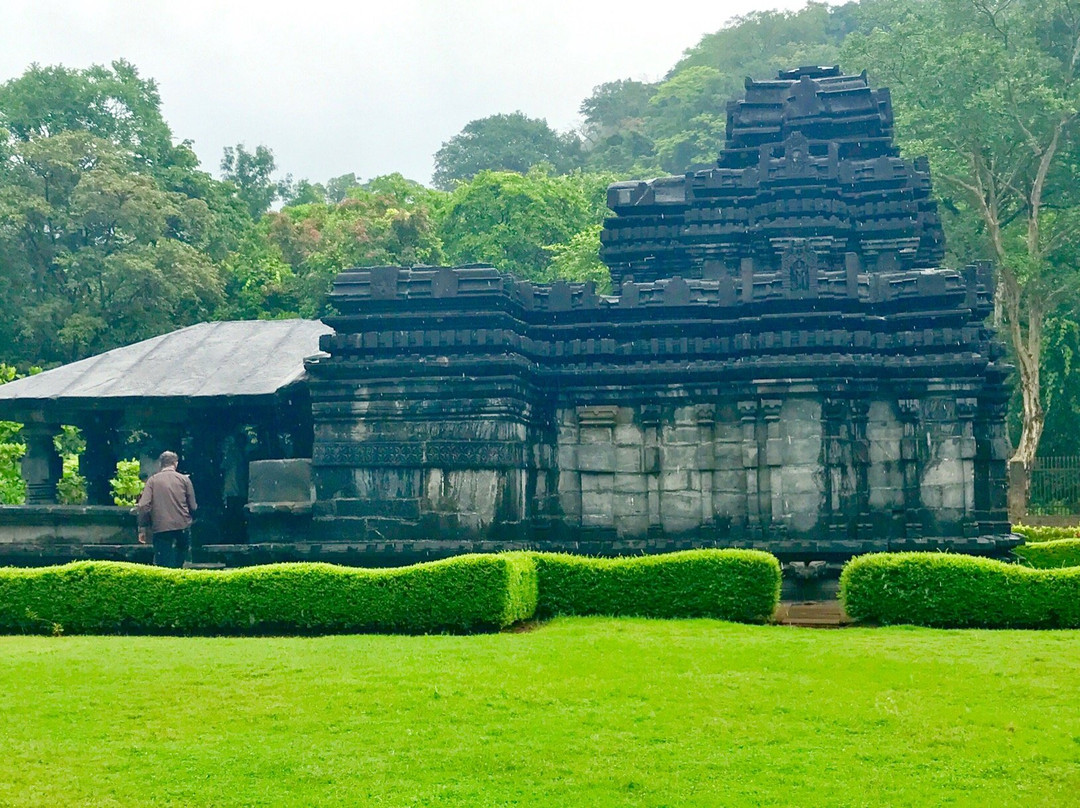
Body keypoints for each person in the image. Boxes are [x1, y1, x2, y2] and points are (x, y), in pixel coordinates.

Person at [137, 451, 197, 568]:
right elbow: (193, 506)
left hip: (161, 526)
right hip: (182, 525)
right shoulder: (184, 480)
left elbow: (143, 505)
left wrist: (143, 526)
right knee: (180, 562)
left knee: (162, 564)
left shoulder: (152, 481)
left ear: (161, 464)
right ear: (175, 463)